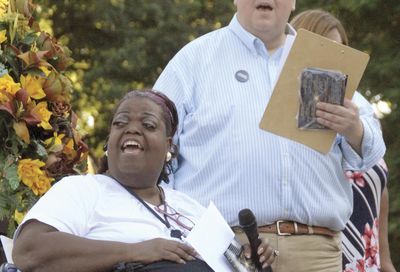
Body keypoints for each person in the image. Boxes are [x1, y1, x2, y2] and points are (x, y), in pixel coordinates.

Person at [153, 1, 386, 271]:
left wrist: (353, 128)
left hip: (316, 253)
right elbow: (153, 151)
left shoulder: (324, 60)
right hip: (223, 252)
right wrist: (182, 232)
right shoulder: (194, 60)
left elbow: (372, 153)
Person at [11, 89, 277, 272]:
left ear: (169, 146)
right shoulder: (83, 189)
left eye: (149, 125)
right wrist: (134, 252)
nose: (132, 128)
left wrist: (249, 256)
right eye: (120, 123)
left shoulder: (192, 208)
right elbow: (29, 251)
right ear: (109, 142)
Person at [290, 9, 396, 272]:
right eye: (320, 47)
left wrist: (386, 262)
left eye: (338, 50)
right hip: (320, 255)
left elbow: (379, 189)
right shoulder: (285, 112)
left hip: (366, 259)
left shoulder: (361, 109)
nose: (328, 60)